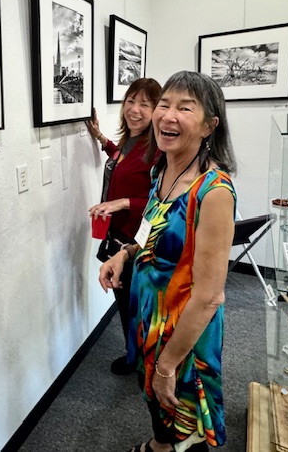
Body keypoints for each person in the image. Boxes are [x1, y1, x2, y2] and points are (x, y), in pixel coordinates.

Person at [99, 71, 237, 452]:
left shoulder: (213, 191)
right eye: (165, 104)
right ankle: (159, 446)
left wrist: (167, 364)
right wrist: (125, 254)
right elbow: (150, 229)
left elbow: (209, 297)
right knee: (157, 403)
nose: (168, 115)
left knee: (184, 417)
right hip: (150, 315)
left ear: (210, 126)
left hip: (184, 330)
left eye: (185, 108)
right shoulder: (162, 171)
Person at [87, 78, 161, 375]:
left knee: (137, 306)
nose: (135, 109)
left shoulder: (158, 150)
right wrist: (101, 138)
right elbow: (121, 160)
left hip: (137, 243)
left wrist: (123, 203)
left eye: (145, 104)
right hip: (116, 238)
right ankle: (135, 353)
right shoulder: (131, 142)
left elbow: (165, 203)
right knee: (126, 302)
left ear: (156, 111)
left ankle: (142, 361)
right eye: (131, 101)